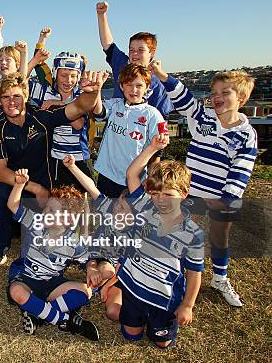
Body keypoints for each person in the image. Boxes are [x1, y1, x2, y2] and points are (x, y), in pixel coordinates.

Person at [150, 61, 257, 307]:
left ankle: (219, 278)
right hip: (190, 194)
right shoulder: (203, 118)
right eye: (214, 92)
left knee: (220, 237)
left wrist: (226, 199)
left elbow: (241, 170)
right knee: (186, 235)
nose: (216, 97)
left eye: (225, 92)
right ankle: (181, 275)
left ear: (240, 97)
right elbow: (184, 98)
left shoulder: (246, 134)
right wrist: (161, 74)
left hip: (219, 196)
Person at [0, 70, 107, 275]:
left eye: (16, 96)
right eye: (5, 97)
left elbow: (78, 107)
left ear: (26, 97)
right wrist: (34, 187)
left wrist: (92, 92)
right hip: (14, 184)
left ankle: (74, 251)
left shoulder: (41, 117)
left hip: (44, 181)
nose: (11, 101)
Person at [119, 134, 204, 348]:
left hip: (165, 298)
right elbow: (131, 174)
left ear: (184, 194)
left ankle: (160, 327)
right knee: (131, 335)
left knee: (162, 343)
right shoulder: (146, 207)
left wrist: (187, 305)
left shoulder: (193, 234)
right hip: (133, 289)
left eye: (168, 194)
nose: (160, 200)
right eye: (155, 193)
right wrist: (152, 148)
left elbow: (194, 274)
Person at [5, 168, 100, 341]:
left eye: (51, 211)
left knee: (86, 291)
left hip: (52, 285)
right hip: (27, 279)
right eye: (46, 208)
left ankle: (38, 313)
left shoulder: (73, 242)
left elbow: (88, 259)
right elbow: (12, 205)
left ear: (68, 220)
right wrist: (19, 185)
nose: (45, 213)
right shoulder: (36, 223)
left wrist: (92, 269)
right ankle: (65, 320)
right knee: (16, 291)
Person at [63, 155, 133, 321]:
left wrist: (107, 285)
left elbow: (124, 268)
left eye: (122, 209)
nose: (117, 210)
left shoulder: (135, 233)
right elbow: (92, 188)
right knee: (100, 268)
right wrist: (72, 167)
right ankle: (93, 282)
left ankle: (95, 288)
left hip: (119, 271)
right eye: (117, 205)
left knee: (108, 276)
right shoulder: (109, 210)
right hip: (97, 258)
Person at [92, 63, 164, 198]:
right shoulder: (115, 104)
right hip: (107, 175)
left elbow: (158, 151)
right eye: (129, 85)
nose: (133, 90)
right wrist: (97, 90)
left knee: (129, 218)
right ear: (121, 86)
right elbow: (99, 112)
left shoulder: (153, 114)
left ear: (147, 87)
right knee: (105, 216)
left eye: (139, 85)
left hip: (134, 179)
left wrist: (153, 179)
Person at [95, 1, 172, 118]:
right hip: (116, 128)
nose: (135, 54)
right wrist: (101, 15)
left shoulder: (159, 83)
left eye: (141, 50)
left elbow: (161, 117)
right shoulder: (122, 64)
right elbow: (108, 44)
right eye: (131, 50)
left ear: (152, 53)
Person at [29, 52, 93, 190]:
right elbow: (19, 82)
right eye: (63, 75)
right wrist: (34, 61)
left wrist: (58, 103)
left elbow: (78, 124)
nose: (68, 80)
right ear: (55, 74)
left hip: (79, 157)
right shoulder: (45, 91)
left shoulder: (83, 95)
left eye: (73, 76)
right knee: (58, 201)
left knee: (85, 203)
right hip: (55, 158)